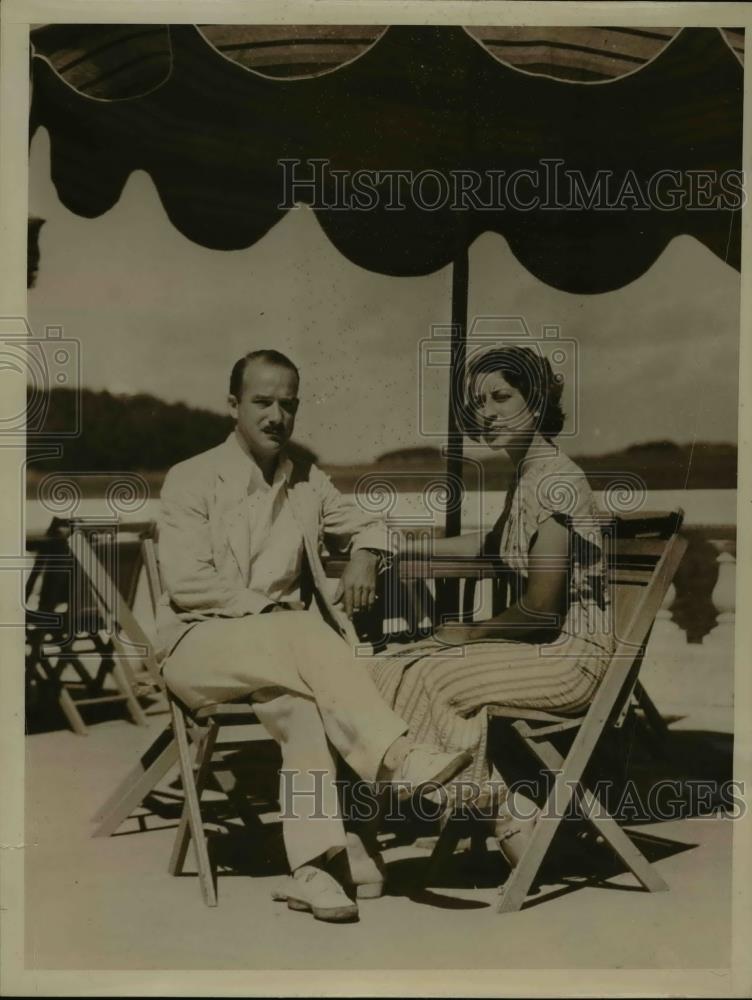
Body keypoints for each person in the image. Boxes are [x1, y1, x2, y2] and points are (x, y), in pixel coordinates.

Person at [155, 349, 470, 922]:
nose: (277, 415)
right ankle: (400, 758)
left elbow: (374, 523)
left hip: (282, 659)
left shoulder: (306, 482)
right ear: (233, 405)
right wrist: (272, 615)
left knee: (301, 707)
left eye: (288, 403)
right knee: (303, 631)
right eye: (263, 402)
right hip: (199, 648)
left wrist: (365, 557)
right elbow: (189, 584)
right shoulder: (192, 478)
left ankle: (313, 868)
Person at [369, 345, 615, 863]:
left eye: (502, 396)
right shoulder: (530, 473)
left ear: (539, 398)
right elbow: (495, 544)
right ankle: (474, 800)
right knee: (391, 664)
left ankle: (491, 803)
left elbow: (543, 608)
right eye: (479, 402)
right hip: (541, 651)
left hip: (572, 658)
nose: (487, 411)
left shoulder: (555, 480)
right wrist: (401, 546)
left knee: (433, 674)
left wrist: (473, 633)